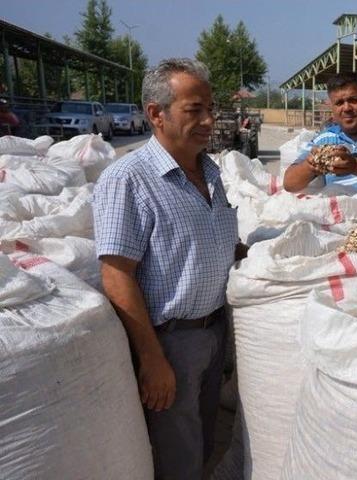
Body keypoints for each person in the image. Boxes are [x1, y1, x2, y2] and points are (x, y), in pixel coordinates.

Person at [93, 58, 243, 479]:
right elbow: (117, 273)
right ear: (156, 114)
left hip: (213, 331)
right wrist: (152, 358)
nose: (209, 120)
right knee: (177, 456)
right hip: (171, 342)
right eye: (195, 110)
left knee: (203, 439)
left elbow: (212, 242)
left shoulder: (209, 172)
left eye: (210, 108)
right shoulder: (128, 179)